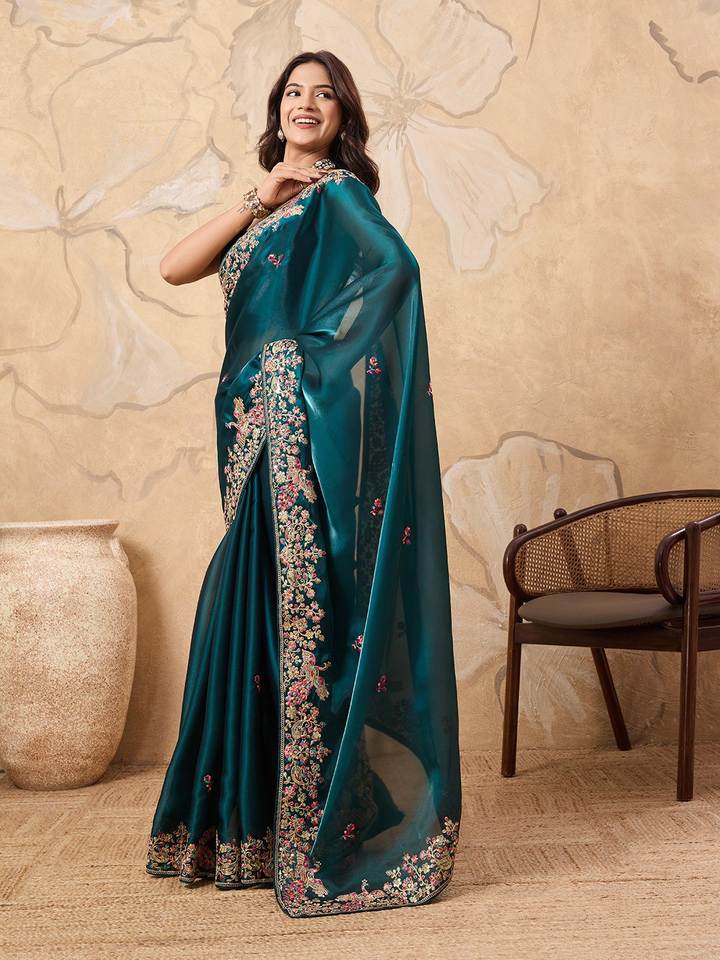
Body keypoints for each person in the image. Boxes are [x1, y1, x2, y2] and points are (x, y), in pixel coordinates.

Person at [144, 49, 461, 919]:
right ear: (276, 109)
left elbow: (397, 272)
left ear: (344, 115)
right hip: (246, 431)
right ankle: (239, 827)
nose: (306, 103)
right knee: (247, 611)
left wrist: (303, 362)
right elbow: (174, 267)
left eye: (325, 94)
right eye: (293, 92)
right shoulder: (276, 202)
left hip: (288, 432)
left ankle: (288, 823)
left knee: (275, 614)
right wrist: (261, 196)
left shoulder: (340, 195)